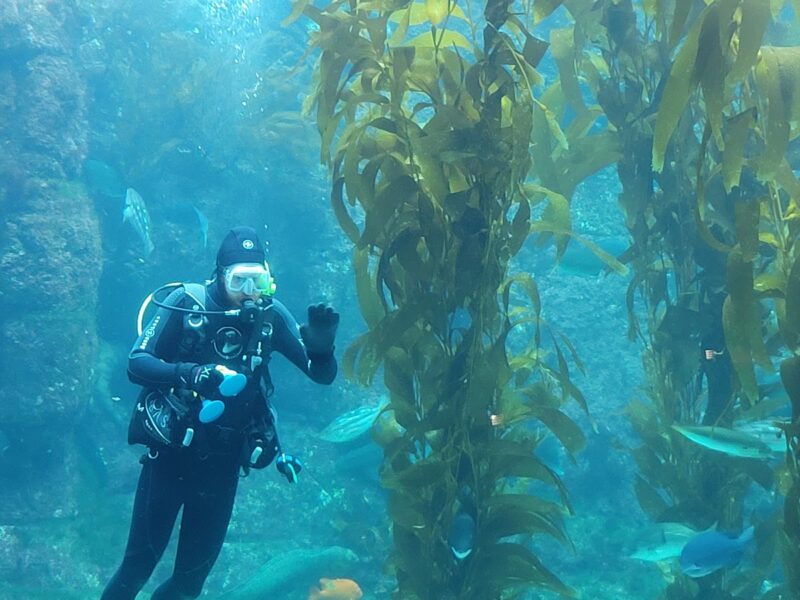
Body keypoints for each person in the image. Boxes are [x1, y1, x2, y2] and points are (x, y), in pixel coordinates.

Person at [101, 226, 339, 600]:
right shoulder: (187, 304)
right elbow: (137, 363)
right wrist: (192, 373)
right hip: (169, 461)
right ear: (218, 274)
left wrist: (323, 349)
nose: (249, 292)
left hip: (222, 469)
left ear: (269, 280)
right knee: (135, 569)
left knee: (188, 585)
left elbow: (320, 375)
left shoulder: (269, 316)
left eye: (257, 280)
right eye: (239, 280)